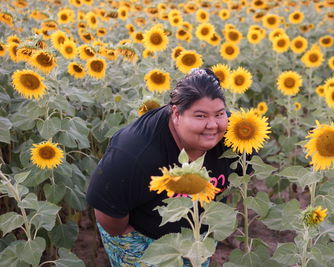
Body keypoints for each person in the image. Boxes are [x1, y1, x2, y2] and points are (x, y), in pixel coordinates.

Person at [86, 68, 234, 266]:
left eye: (219, 114)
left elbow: (239, 177)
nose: (212, 125)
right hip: (138, 235)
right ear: (176, 113)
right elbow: (107, 210)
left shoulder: (236, 137)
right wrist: (131, 241)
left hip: (196, 236)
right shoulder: (135, 152)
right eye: (200, 116)